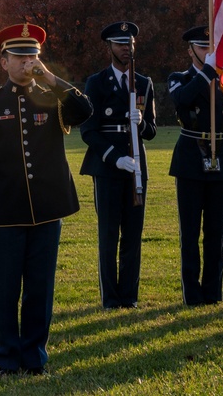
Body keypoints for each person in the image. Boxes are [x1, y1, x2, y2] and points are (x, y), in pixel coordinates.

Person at [0, 23, 93, 379]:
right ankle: (6, 360)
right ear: (3, 62)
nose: (26, 64)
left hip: (48, 209)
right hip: (4, 211)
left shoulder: (53, 98)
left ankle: (35, 358)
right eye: (19, 57)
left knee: (40, 289)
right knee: (5, 291)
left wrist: (50, 78)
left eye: (32, 57)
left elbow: (85, 110)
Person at [79, 21, 157, 309]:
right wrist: (114, 156)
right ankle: (110, 297)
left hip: (136, 166)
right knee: (109, 234)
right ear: (109, 47)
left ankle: (129, 295)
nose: (127, 49)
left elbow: (151, 131)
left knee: (133, 234)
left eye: (131, 44)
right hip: (108, 166)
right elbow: (88, 131)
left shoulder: (144, 83)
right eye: (121, 44)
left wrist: (142, 122)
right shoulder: (96, 83)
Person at [166, 25, 223, 306]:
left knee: (215, 233)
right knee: (190, 232)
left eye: (210, 48)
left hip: (220, 160)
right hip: (190, 161)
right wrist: (207, 73)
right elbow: (181, 99)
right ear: (190, 51)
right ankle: (192, 294)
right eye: (201, 47)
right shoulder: (179, 78)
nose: (207, 52)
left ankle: (213, 292)